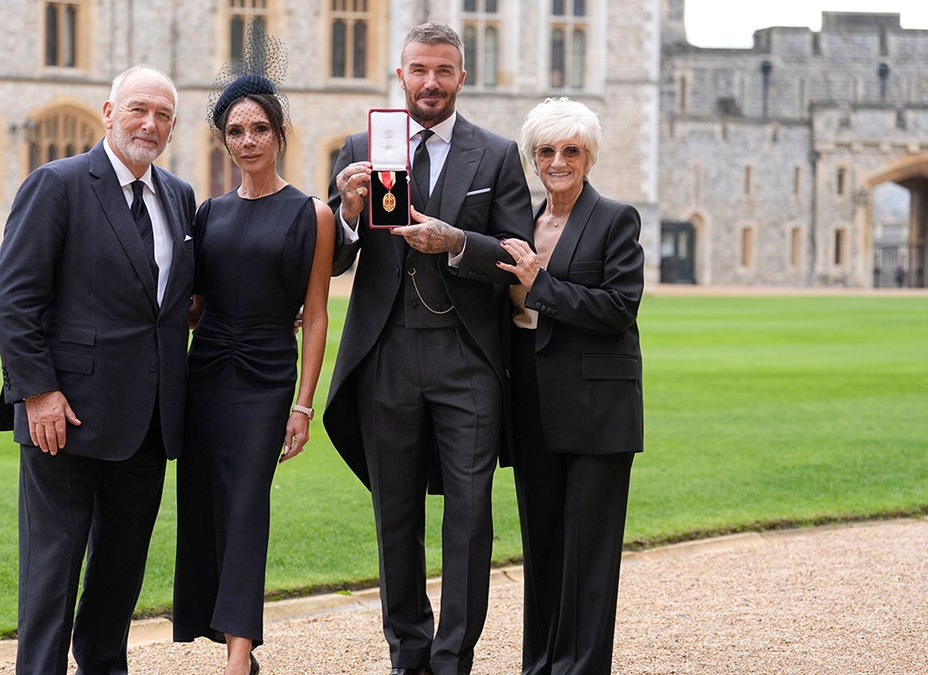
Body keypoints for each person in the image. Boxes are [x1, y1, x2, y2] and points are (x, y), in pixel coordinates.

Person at [324, 21, 533, 675]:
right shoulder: (364, 145)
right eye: (419, 70)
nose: (431, 83)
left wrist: (458, 242)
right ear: (401, 76)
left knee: (470, 515)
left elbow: (516, 252)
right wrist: (348, 212)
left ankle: (452, 657)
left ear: (461, 77)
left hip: (466, 357)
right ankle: (408, 652)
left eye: (444, 71)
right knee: (395, 512)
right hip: (386, 351)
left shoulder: (496, 155)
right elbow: (330, 262)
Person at [0, 66, 195, 675]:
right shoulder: (58, 184)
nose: (149, 124)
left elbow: (175, 300)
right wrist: (38, 392)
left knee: (121, 568)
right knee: (53, 567)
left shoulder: (178, 196)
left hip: (149, 420)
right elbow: (12, 295)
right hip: (65, 415)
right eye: (138, 110)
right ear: (108, 112)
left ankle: (104, 666)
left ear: (173, 126)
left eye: (162, 115)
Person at [171, 70, 335, 675]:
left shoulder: (311, 214)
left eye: (258, 128)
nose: (247, 140)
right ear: (224, 140)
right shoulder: (209, 212)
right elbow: (193, 308)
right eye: (235, 131)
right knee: (206, 504)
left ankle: (239, 658)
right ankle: (225, 636)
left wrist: (303, 403)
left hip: (266, 380)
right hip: (206, 373)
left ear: (280, 134)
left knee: (247, 506)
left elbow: (315, 315)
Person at [496, 97, 645, 675]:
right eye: (547, 151)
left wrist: (540, 283)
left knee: (587, 554)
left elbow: (619, 308)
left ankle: (579, 669)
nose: (558, 161)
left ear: (589, 157)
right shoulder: (525, 223)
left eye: (571, 150)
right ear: (534, 158)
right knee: (543, 546)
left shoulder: (615, 219)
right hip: (531, 398)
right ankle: (540, 666)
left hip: (596, 407)